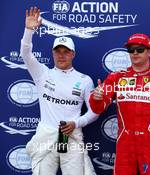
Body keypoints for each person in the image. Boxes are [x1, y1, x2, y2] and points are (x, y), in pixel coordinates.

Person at [89, 33, 150, 175]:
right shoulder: (117, 77)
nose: (135, 53)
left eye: (140, 49)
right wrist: (96, 98)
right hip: (125, 144)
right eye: (131, 50)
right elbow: (98, 109)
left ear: (149, 52)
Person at [20, 7, 98, 175]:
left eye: (66, 51)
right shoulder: (42, 73)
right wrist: (28, 31)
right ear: (53, 53)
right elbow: (26, 54)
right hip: (46, 138)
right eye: (58, 51)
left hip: (71, 138)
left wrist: (76, 123)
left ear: (73, 54)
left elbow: (94, 112)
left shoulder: (85, 80)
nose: (61, 55)